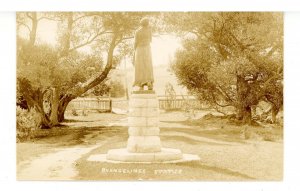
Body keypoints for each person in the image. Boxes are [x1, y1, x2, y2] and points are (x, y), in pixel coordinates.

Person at [132, 18, 154, 91]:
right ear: (147, 23)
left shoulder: (137, 31)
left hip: (140, 49)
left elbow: (135, 43)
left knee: (140, 66)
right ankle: (148, 83)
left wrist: (134, 53)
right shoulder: (149, 30)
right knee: (147, 66)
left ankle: (141, 84)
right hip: (147, 49)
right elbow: (150, 40)